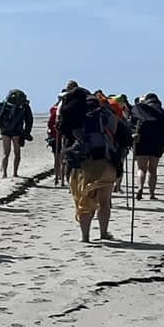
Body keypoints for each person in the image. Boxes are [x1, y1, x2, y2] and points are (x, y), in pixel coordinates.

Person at [57, 82, 117, 243]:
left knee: (85, 200)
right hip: (106, 160)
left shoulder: (69, 114)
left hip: (81, 163)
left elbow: (61, 132)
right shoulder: (102, 111)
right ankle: (103, 233)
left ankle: (85, 237)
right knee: (104, 200)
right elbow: (117, 129)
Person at [132, 93, 164, 199]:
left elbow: (133, 124)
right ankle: (152, 194)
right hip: (156, 144)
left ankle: (140, 187)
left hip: (142, 143)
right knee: (152, 169)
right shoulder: (162, 112)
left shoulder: (142, 110)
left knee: (141, 168)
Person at [0, 90, 32, 178]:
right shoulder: (24, 106)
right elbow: (29, 120)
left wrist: (2, 127)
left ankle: (4, 174)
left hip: (5, 131)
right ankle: (15, 173)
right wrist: (26, 133)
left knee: (5, 153)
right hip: (17, 131)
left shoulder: (5, 104)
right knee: (17, 153)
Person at [46, 97, 67, 187]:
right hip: (64, 136)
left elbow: (50, 124)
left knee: (57, 157)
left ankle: (58, 176)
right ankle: (63, 177)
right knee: (64, 158)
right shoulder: (68, 108)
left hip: (55, 136)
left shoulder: (54, 109)